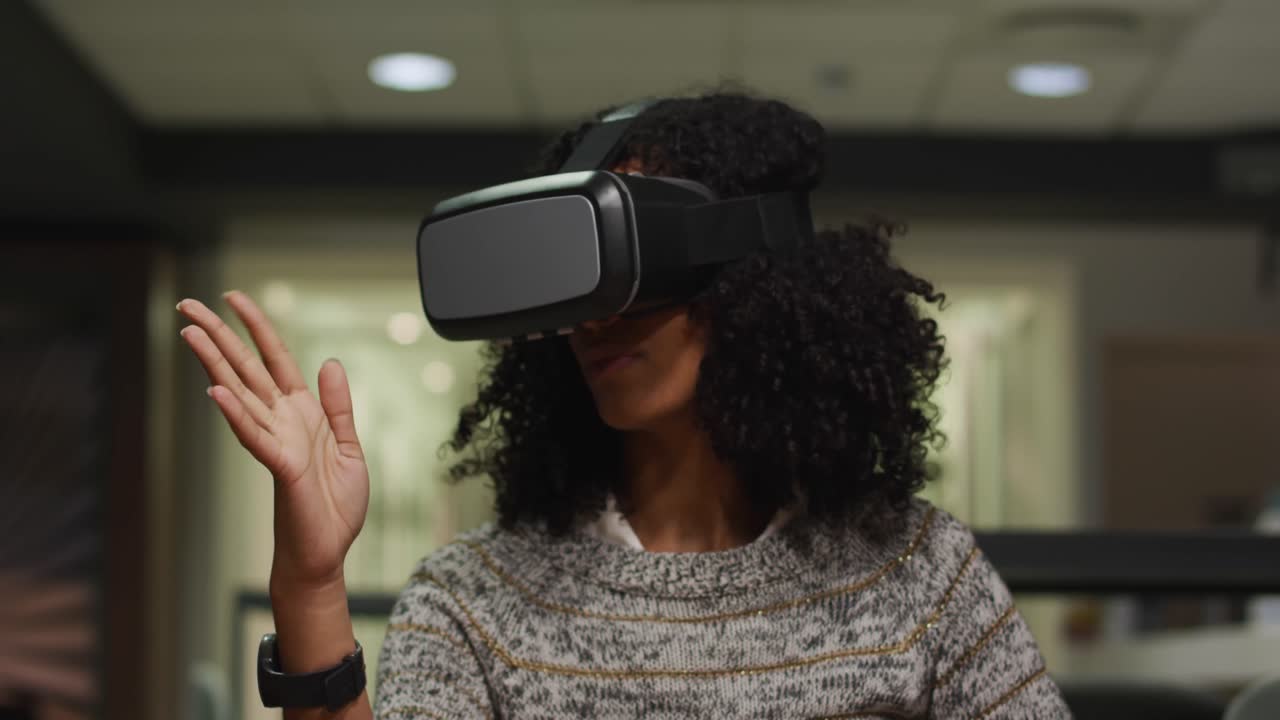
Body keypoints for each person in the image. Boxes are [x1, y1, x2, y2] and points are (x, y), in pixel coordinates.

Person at [177, 92, 1071, 719]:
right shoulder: (477, 597)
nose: (598, 319)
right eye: (576, 285)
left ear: (754, 277)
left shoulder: (916, 570)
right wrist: (311, 584)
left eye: (636, 272)